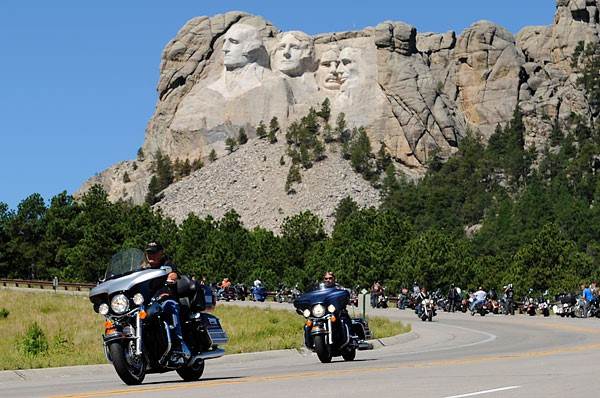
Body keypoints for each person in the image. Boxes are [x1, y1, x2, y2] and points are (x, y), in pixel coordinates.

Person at [143, 241, 191, 365]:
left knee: (171, 305)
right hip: (148, 302)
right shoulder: (144, 268)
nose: (151, 256)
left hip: (166, 297)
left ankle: (178, 346)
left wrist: (171, 277)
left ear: (161, 253)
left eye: (153, 253)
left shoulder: (167, 264)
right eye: (149, 253)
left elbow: (173, 273)